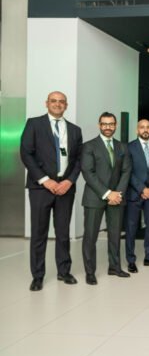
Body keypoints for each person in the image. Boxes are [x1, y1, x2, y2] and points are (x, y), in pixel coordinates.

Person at [20, 91, 83, 291]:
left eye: (61, 102)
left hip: (65, 188)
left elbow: (79, 159)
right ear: (46, 103)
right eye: (53, 101)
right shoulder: (34, 124)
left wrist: (69, 181)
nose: (57, 104)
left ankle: (64, 271)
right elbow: (26, 153)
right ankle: (38, 276)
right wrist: (45, 180)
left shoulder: (75, 130)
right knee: (39, 233)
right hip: (40, 188)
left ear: (66, 105)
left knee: (63, 233)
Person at [81, 112, 132, 284]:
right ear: (99, 125)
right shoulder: (89, 146)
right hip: (94, 197)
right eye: (104, 124)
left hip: (117, 197)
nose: (108, 127)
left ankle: (115, 267)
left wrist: (117, 193)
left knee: (115, 234)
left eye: (111, 124)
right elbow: (88, 172)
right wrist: (107, 193)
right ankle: (90, 272)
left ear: (115, 125)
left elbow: (126, 171)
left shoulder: (122, 147)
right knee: (90, 236)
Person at [124, 119, 149, 273]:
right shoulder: (129, 147)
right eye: (142, 127)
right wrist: (142, 189)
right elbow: (128, 171)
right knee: (131, 227)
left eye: (148, 127)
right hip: (134, 193)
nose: (145, 130)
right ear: (137, 130)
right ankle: (131, 260)